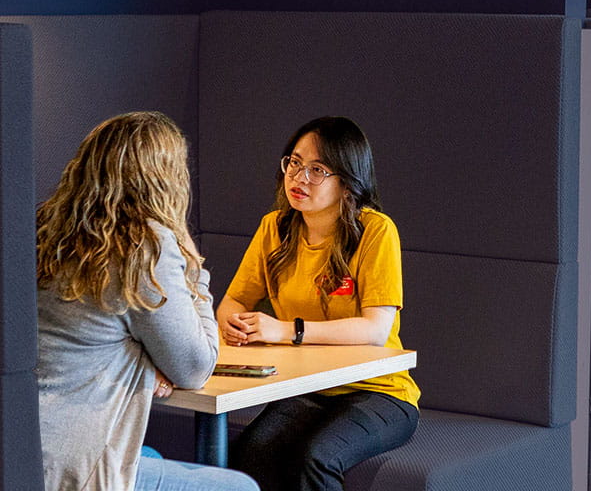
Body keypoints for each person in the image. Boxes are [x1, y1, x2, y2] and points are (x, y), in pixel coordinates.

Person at [35, 112, 259, 491]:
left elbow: (94, 333)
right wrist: (193, 266)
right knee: (240, 488)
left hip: (24, 452)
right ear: (164, 178)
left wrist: (136, 358)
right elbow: (195, 366)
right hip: (75, 466)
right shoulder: (143, 247)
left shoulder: (48, 228)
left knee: (150, 456)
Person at [217, 116, 420, 491]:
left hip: (379, 392)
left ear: (347, 181)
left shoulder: (375, 231)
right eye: (294, 163)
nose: (299, 178)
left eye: (317, 169)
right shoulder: (274, 228)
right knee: (250, 453)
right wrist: (235, 323)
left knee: (318, 457)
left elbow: (375, 330)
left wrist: (286, 330)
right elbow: (231, 303)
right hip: (307, 389)